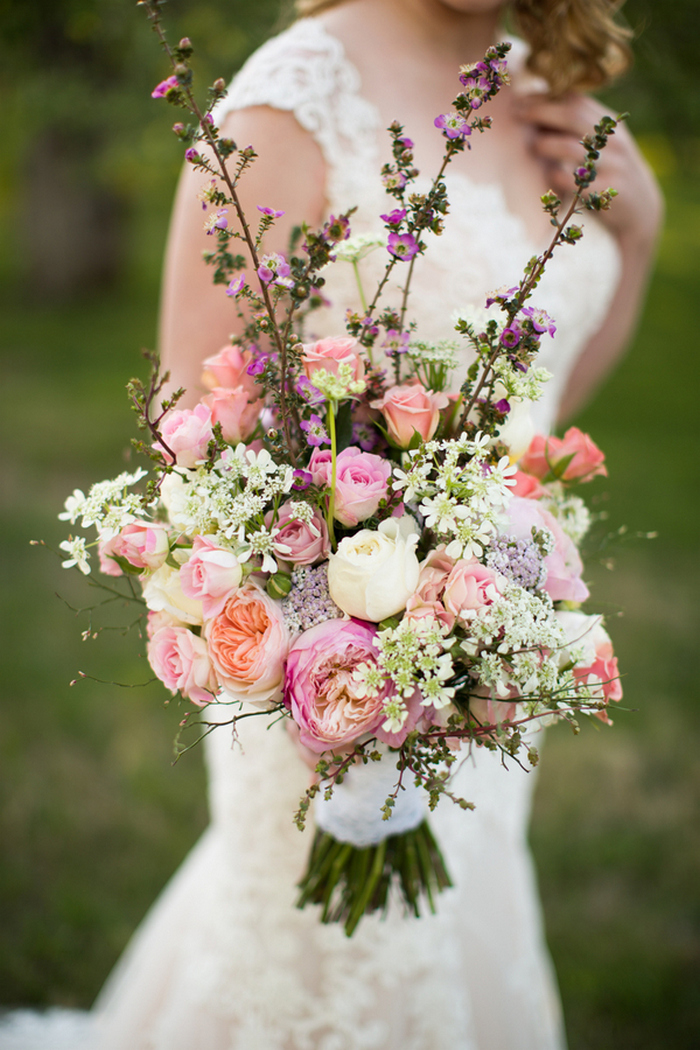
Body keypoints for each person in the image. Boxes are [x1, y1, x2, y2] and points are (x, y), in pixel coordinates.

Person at [0, 1, 661, 1048]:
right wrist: (358, 642)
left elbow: (544, 391)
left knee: (462, 925)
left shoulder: (536, 87)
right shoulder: (294, 96)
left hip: (487, 628)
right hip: (322, 659)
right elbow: (199, 439)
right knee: (327, 964)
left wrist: (638, 222)